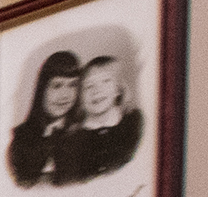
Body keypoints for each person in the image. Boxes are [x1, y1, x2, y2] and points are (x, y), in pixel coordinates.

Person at [57, 57, 145, 185]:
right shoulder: (70, 142)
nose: (96, 90)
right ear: (80, 98)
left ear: (118, 89)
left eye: (105, 81)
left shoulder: (135, 123)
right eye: (88, 86)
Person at [6, 51, 82, 188]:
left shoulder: (83, 133)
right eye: (57, 85)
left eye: (73, 85)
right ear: (42, 89)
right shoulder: (22, 138)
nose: (65, 95)